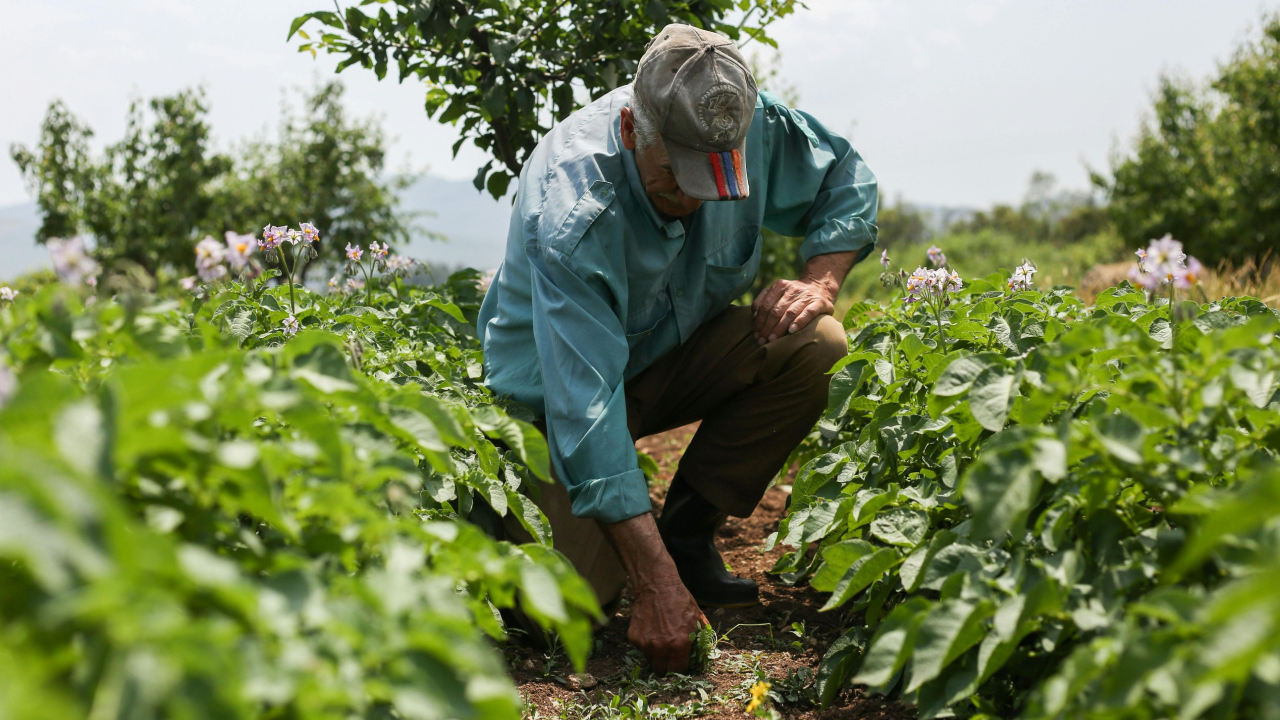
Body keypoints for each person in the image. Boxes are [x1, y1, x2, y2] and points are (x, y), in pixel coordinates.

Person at [477, 23, 878, 673]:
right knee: (563, 612)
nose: (693, 200)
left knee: (817, 343)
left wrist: (820, 281)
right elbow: (584, 409)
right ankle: (631, 553)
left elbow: (847, 181)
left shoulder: (750, 124)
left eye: (714, 181)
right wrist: (653, 586)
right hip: (556, 400)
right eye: (674, 179)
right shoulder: (577, 209)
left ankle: (685, 533)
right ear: (634, 129)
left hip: (667, 356)